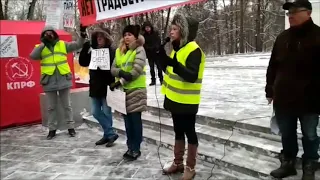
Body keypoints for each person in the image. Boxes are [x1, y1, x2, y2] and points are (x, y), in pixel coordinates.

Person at [265, 1, 320, 179]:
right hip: (284, 97)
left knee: (310, 135)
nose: (290, 15)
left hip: (309, 99)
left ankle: (309, 165)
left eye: (295, 11)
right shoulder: (282, 37)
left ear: (309, 13)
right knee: (287, 133)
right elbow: (273, 66)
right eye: (288, 12)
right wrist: (270, 89)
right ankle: (288, 163)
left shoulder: (318, 36)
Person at [158, 14, 206, 180]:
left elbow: (191, 75)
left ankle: (190, 167)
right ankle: (177, 163)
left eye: (175, 29)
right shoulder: (178, 48)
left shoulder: (194, 50)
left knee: (189, 132)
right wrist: (160, 59)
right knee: (178, 131)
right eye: (171, 28)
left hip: (187, 101)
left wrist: (174, 64)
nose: (171, 32)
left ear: (183, 31)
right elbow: (171, 71)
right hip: (174, 99)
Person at [29, 25, 86, 140]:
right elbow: (33, 56)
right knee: (51, 107)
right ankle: (52, 129)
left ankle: (71, 127)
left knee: (67, 106)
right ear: (42, 36)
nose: (49, 35)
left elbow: (78, 45)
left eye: (51, 33)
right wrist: (43, 43)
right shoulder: (40, 47)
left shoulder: (62, 44)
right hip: (49, 81)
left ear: (55, 34)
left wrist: (83, 35)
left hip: (63, 79)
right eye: (46, 33)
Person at [110, 25, 147, 160]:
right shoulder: (119, 51)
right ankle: (130, 146)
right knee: (127, 122)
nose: (127, 37)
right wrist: (120, 73)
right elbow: (113, 68)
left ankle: (136, 148)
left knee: (135, 120)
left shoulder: (139, 49)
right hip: (123, 92)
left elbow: (135, 71)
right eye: (125, 34)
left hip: (136, 90)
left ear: (136, 36)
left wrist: (120, 81)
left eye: (130, 34)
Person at [78, 27, 119, 146]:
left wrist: (104, 68)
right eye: (97, 36)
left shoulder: (112, 51)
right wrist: (85, 47)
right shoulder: (93, 51)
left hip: (107, 85)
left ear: (106, 38)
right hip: (95, 85)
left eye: (101, 36)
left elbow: (113, 67)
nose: (99, 38)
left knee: (106, 112)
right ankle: (110, 133)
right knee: (95, 112)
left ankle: (107, 136)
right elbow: (83, 62)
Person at [142, 21, 162, 86]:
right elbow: (144, 44)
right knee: (151, 68)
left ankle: (161, 79)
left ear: (150, 27)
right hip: (150, 54)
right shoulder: (144, 36)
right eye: (146, 27)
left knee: (159, 67)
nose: (147, 28)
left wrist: (157, 47)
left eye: (148, 27)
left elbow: (159, 41)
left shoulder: (155, 34)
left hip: (156, 53)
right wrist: (148, 48)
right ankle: (153, 80)